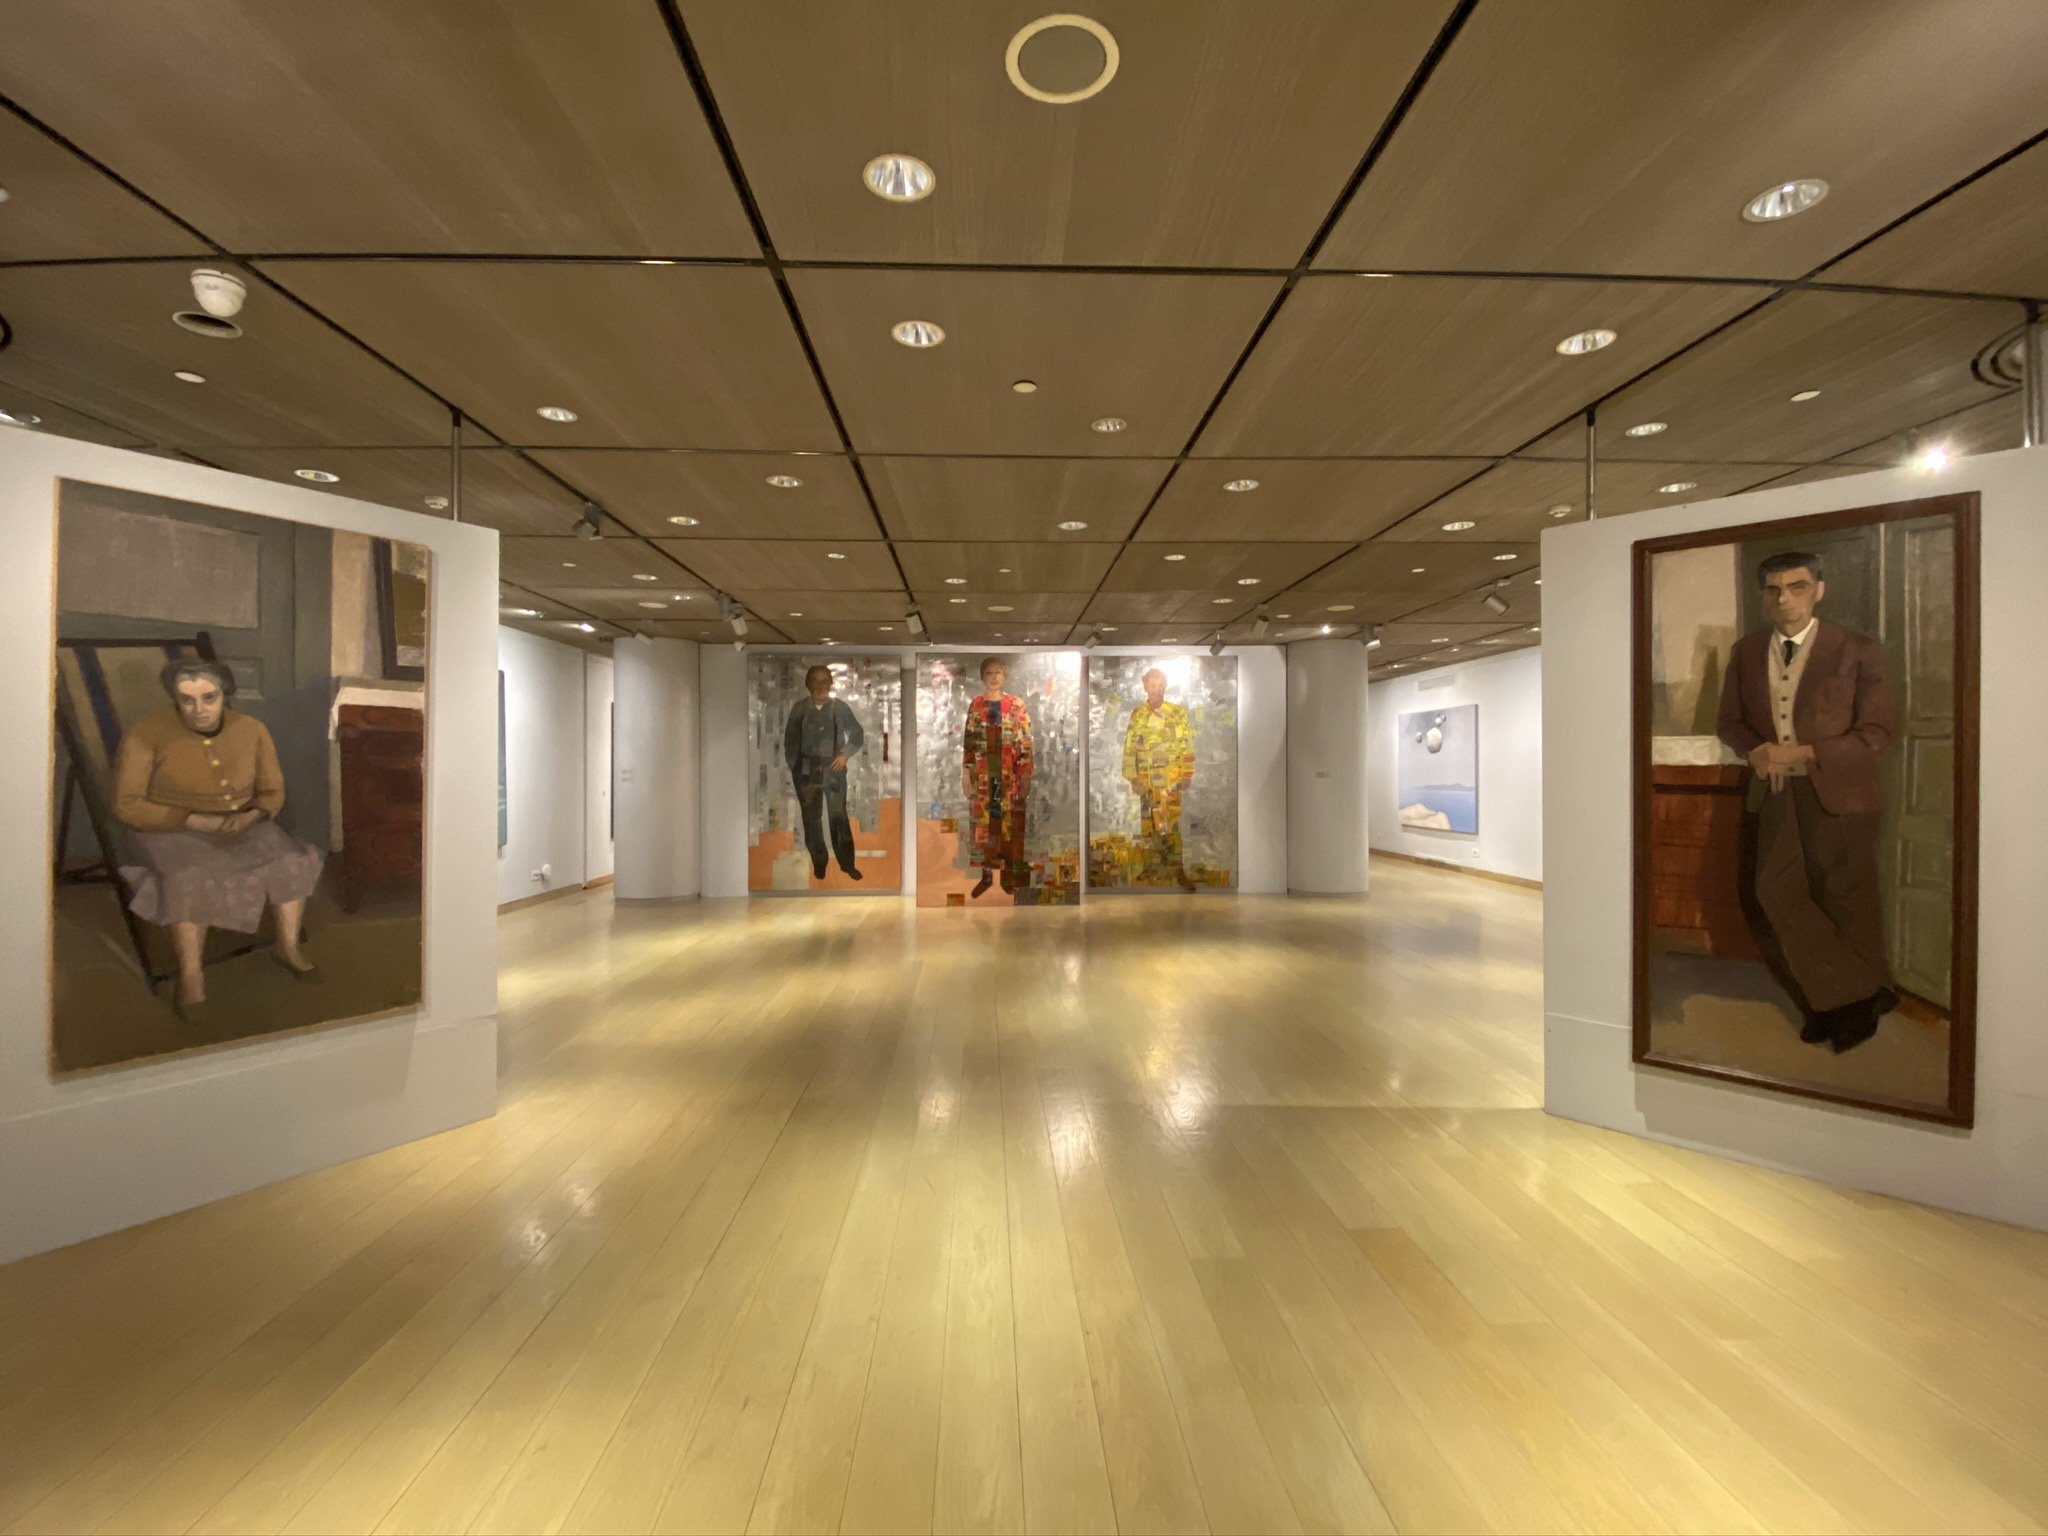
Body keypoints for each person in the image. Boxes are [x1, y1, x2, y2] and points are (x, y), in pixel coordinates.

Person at [1715, 550, 1899, 1053]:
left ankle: (1845, 1004)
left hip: (1841, 791)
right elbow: (1729, 721)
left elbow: (1878, 731)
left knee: (1845, 898)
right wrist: (1755, 750)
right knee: (1774, 891)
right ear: (1763, 596)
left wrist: (1805, 752)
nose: (1785, 599)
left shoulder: (1856, 649)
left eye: (1797, 587)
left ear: (1818, 590)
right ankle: (1851, 995)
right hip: (1775, 793)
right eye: (1774, 590)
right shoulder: (1747, 651)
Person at [112, 658, 324, 1021]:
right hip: (170, 829)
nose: (199, 709)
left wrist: (252, 816)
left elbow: (272, 790)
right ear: (174, 699)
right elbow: (126, 804)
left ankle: (287, 947)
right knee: (189, 878)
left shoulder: (252, 729)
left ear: (225, 694)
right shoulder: (144, 735)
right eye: (187, 700)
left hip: (242, 823)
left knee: (289, 860)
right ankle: (192, 977)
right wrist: (191, 819)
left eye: (209, 698)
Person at [782, 663, 865, 882]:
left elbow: (857, 734)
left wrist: (845, 754)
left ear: (831, 683)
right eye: (815, 681)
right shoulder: (799, 709)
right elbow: (790, 741)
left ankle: (847, 864)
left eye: (824, 681)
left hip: (834, 770)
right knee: (811, 819)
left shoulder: (840, 708)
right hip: (806, 771)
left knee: (839, 817)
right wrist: (796, 769)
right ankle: (819, 862)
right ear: (808, 684)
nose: (820, 686)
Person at [961, 657, 1033, 898]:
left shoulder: (1016, 705)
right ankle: (986, 877)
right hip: (983, 775)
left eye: (998, 672)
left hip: (1009, 776)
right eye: (989, 673)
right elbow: (969, 742)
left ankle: (1007, 878)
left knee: (1008, 826)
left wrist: (1025, 775)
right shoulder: (977, 705)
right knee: (984, 826)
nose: (994, 677)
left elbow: (1025, 742)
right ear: (983, 676)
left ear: (1005, 676)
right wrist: (966, 774)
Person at [1123, 667, 1197, 890]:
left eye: (1160, 684)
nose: (1157, 689)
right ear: (1145, 687)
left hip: (1170, 780)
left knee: (1170, 825)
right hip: (1146, 781)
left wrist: (1187, 772)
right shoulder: (1139, 714)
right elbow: (1130, 747)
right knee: (1149, 825)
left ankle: (1177, 870)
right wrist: (1132, 777)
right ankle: (1150, 868)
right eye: (1152, 685)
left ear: (1165, 686)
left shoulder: (1176, 713)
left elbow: (1186, 743)